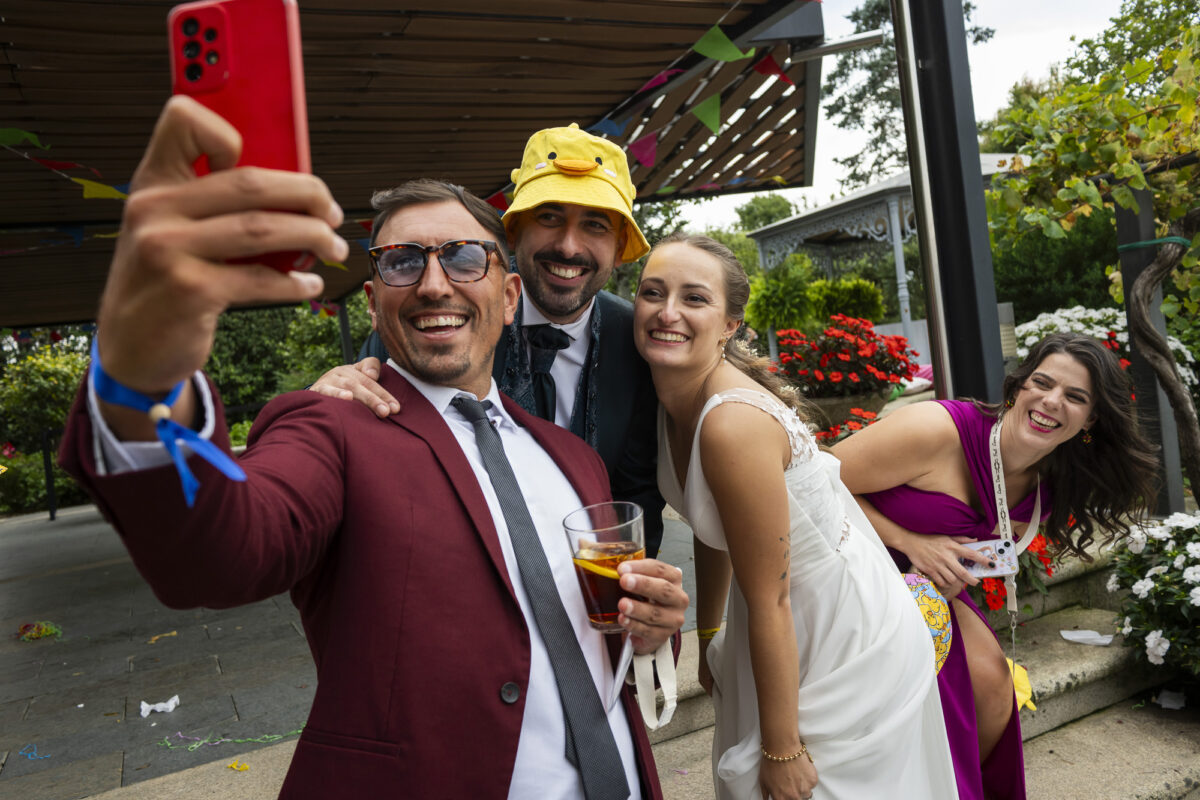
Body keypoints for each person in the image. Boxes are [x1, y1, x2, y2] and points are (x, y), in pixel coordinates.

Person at [58, 96, 688, 800]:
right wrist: (143, 372)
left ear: (510, 296)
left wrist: (653, 628)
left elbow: (596, 632)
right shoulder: (329, 425)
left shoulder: (575, 460)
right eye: (401, 263)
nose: (433, 283)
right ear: (372, 300)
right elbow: (217, 556)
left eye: (463, 258)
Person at [633, 233, 958, 800]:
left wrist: (782, 748)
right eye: (652, 292)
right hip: (774, 617)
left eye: (694, 298)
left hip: (833, 626)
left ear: (731, 324)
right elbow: (717, 525)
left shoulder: (731, 422)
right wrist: (710, 632)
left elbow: (772, 599)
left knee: (799, 785)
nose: (668, 312)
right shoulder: (668, 399)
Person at [831, 332, 1160, 800]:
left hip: (927, 587)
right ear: (1018, 387)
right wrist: (909, 541)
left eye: (1075, 396)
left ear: (1092, 419)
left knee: (991, 684)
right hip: (847, 568)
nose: (1051, 401)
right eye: (1042, 383)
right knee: (932, 678)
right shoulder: (936, 431)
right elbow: (811, 483)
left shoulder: (1054, 477)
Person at [312, 123, 666, 557]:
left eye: (595, 225)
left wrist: (631, 597)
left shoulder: (636, 342)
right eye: (549, 217)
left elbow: (637, 491)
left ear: (618, 246)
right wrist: (329, 403)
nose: (569, 247)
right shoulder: (432, 324)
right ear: (513, 232)